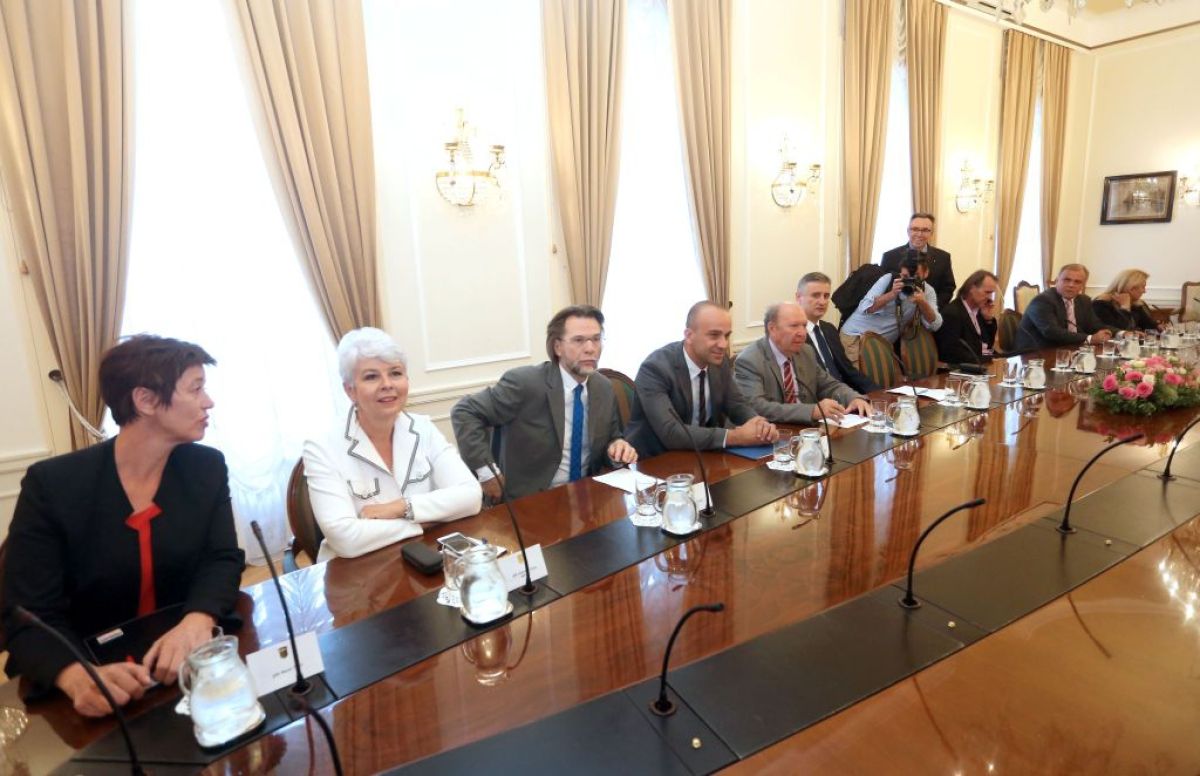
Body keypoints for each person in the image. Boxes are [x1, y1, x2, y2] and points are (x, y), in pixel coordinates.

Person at [2, 336, 244, 718]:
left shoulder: (206, 467)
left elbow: (222, 558)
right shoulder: (53, 486)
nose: (208, 401)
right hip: (86, 677)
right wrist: (76, 676)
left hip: (180, 668)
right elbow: (26, 612)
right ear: (145, 400)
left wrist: (198, 619)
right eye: (196, 388)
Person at [304, 328, 482, 560]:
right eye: (371, 377)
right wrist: (421, 522)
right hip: (356, 569)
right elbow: (345, 538)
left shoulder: (423, 428)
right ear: (350, 390)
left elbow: (471, 496)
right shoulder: (321, 448)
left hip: (423, 557)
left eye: (395, 373)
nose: (387, 384)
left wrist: (402, 507)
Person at [452, 306, 636, 501]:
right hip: (530, 501)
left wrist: (617, 447)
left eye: (596, 339)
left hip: (586, 496)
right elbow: (464, 411)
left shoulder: (603, 387)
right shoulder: (525, 383)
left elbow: (611, 438)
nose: (590, 348)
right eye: (579, 340)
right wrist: (487, 473)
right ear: (557, 347)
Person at [624, 301, 777, 457]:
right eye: (714, 335)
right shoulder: (655, 368)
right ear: (689, 335)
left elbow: (737, 405)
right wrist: (735, 437)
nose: (723, 344)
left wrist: (760, 425)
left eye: (727, 336)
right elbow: (671, 432)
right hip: (656, 459)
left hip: (703, 455)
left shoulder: (719, 362)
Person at [734, 302, 872, 424]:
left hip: (807, 432)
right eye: (794, 326)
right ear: (772, 328)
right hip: (769, 434)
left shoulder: (806, 351)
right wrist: (811, 411)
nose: (802, 333)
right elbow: (756, 407)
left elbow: (829, 385)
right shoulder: (750, 360)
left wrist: (853, 398)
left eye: (804, 325)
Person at [839, 254, 943, 365]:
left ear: (926, 273)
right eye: (905, 276)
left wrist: (923, 303)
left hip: (881, 345)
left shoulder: (927, 292)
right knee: (858, 376)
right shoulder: (889, 280)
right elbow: (865, 307)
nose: (910, 281)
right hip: (855, 338)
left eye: (916, 276)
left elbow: (936, 325)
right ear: (901, 272)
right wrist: (892, 294)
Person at [795, 272, 880, 394]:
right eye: (815, 295)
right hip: (819, 400)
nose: (822, 302)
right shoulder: (793, 334)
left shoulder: (829, 329)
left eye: (826, 296)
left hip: (845, 396)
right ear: (798, 297)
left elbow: (848, 371)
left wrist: (879, 392)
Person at [1014, 264, 1115, 352]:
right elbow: (1051, 332)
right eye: (1067, 280)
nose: (1071, 285)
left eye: (1077, 282)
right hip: (1037, 353)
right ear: (1057, 281)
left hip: (1071, 349)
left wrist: (1117, 333)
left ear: (1083, 286)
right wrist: (1090, 338)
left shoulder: (1083, 300)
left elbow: (1095, 325)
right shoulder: (1043, 301)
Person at [880, 213, 956, 309]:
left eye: (925, 230)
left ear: (931, 233)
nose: (919, 234)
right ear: (908, 231)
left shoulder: (943, 257)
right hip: (897, 313)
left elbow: (948, 288)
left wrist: (930, 308)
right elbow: (882, 289)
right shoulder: (890, 257)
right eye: (915, 229)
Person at [935, 270, 1000, 366]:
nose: (990, 298)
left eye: (992, 293)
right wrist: (987, 359)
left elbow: (985, 347)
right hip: (958, 371)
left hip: (977, 367)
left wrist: (988, 320)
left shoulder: (979, 312)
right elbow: (951, 353)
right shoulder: (952, 314)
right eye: (987, 292)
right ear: (972, 289)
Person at [1093, 268, 1162, 332]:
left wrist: (1158, 326)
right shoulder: (1101, 304)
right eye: (1143, 287)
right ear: (1131, 288)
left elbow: (1148, 325)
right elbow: (1119, 330)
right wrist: (1125, 307)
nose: (1144, 291)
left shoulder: (1136, 304)